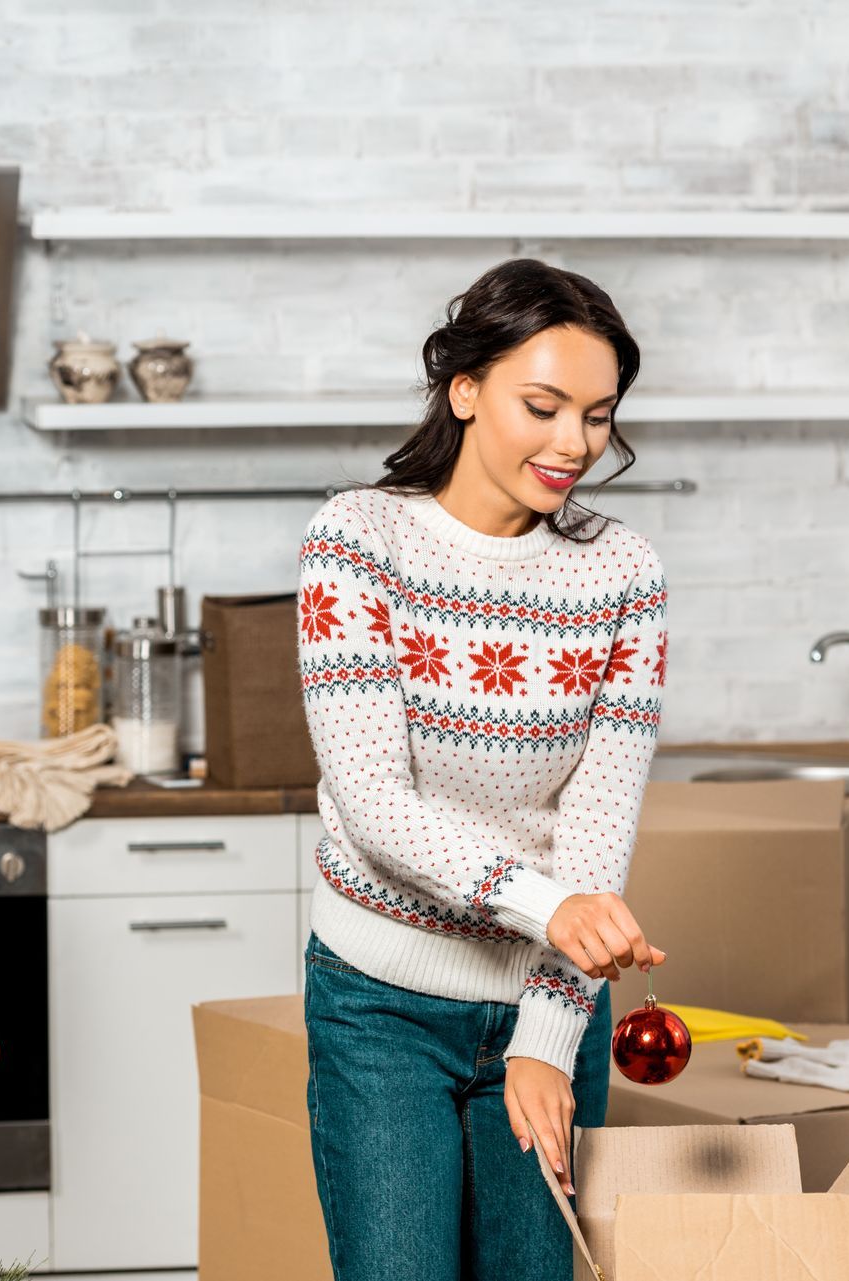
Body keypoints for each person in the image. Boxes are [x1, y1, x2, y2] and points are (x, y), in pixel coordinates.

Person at [296, 256, 670, 1280]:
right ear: (465, 391)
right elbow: (375, 801)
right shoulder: (359, 539)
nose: (572, 444)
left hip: (548, 1004)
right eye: (543, 406)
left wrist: (549, 1033)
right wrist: (545, 907)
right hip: (380, 1006)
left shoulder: (623, 574)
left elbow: (599, 822)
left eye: (597, 416)